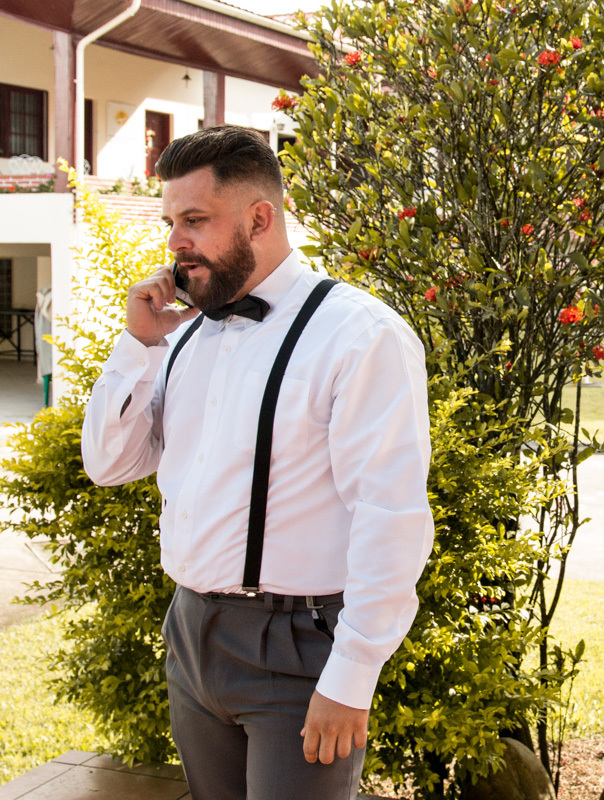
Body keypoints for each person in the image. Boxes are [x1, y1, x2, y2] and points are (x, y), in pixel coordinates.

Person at [81, 125, 434, 800]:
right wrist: (139, 345)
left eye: (193, 221)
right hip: (190, 634)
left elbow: (389, 516)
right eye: (170, 223)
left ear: (259, 218)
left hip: (297, 646)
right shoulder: (184, 336)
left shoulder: (361, 336)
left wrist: (353, 673)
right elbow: (108, 463)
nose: (174, 243)